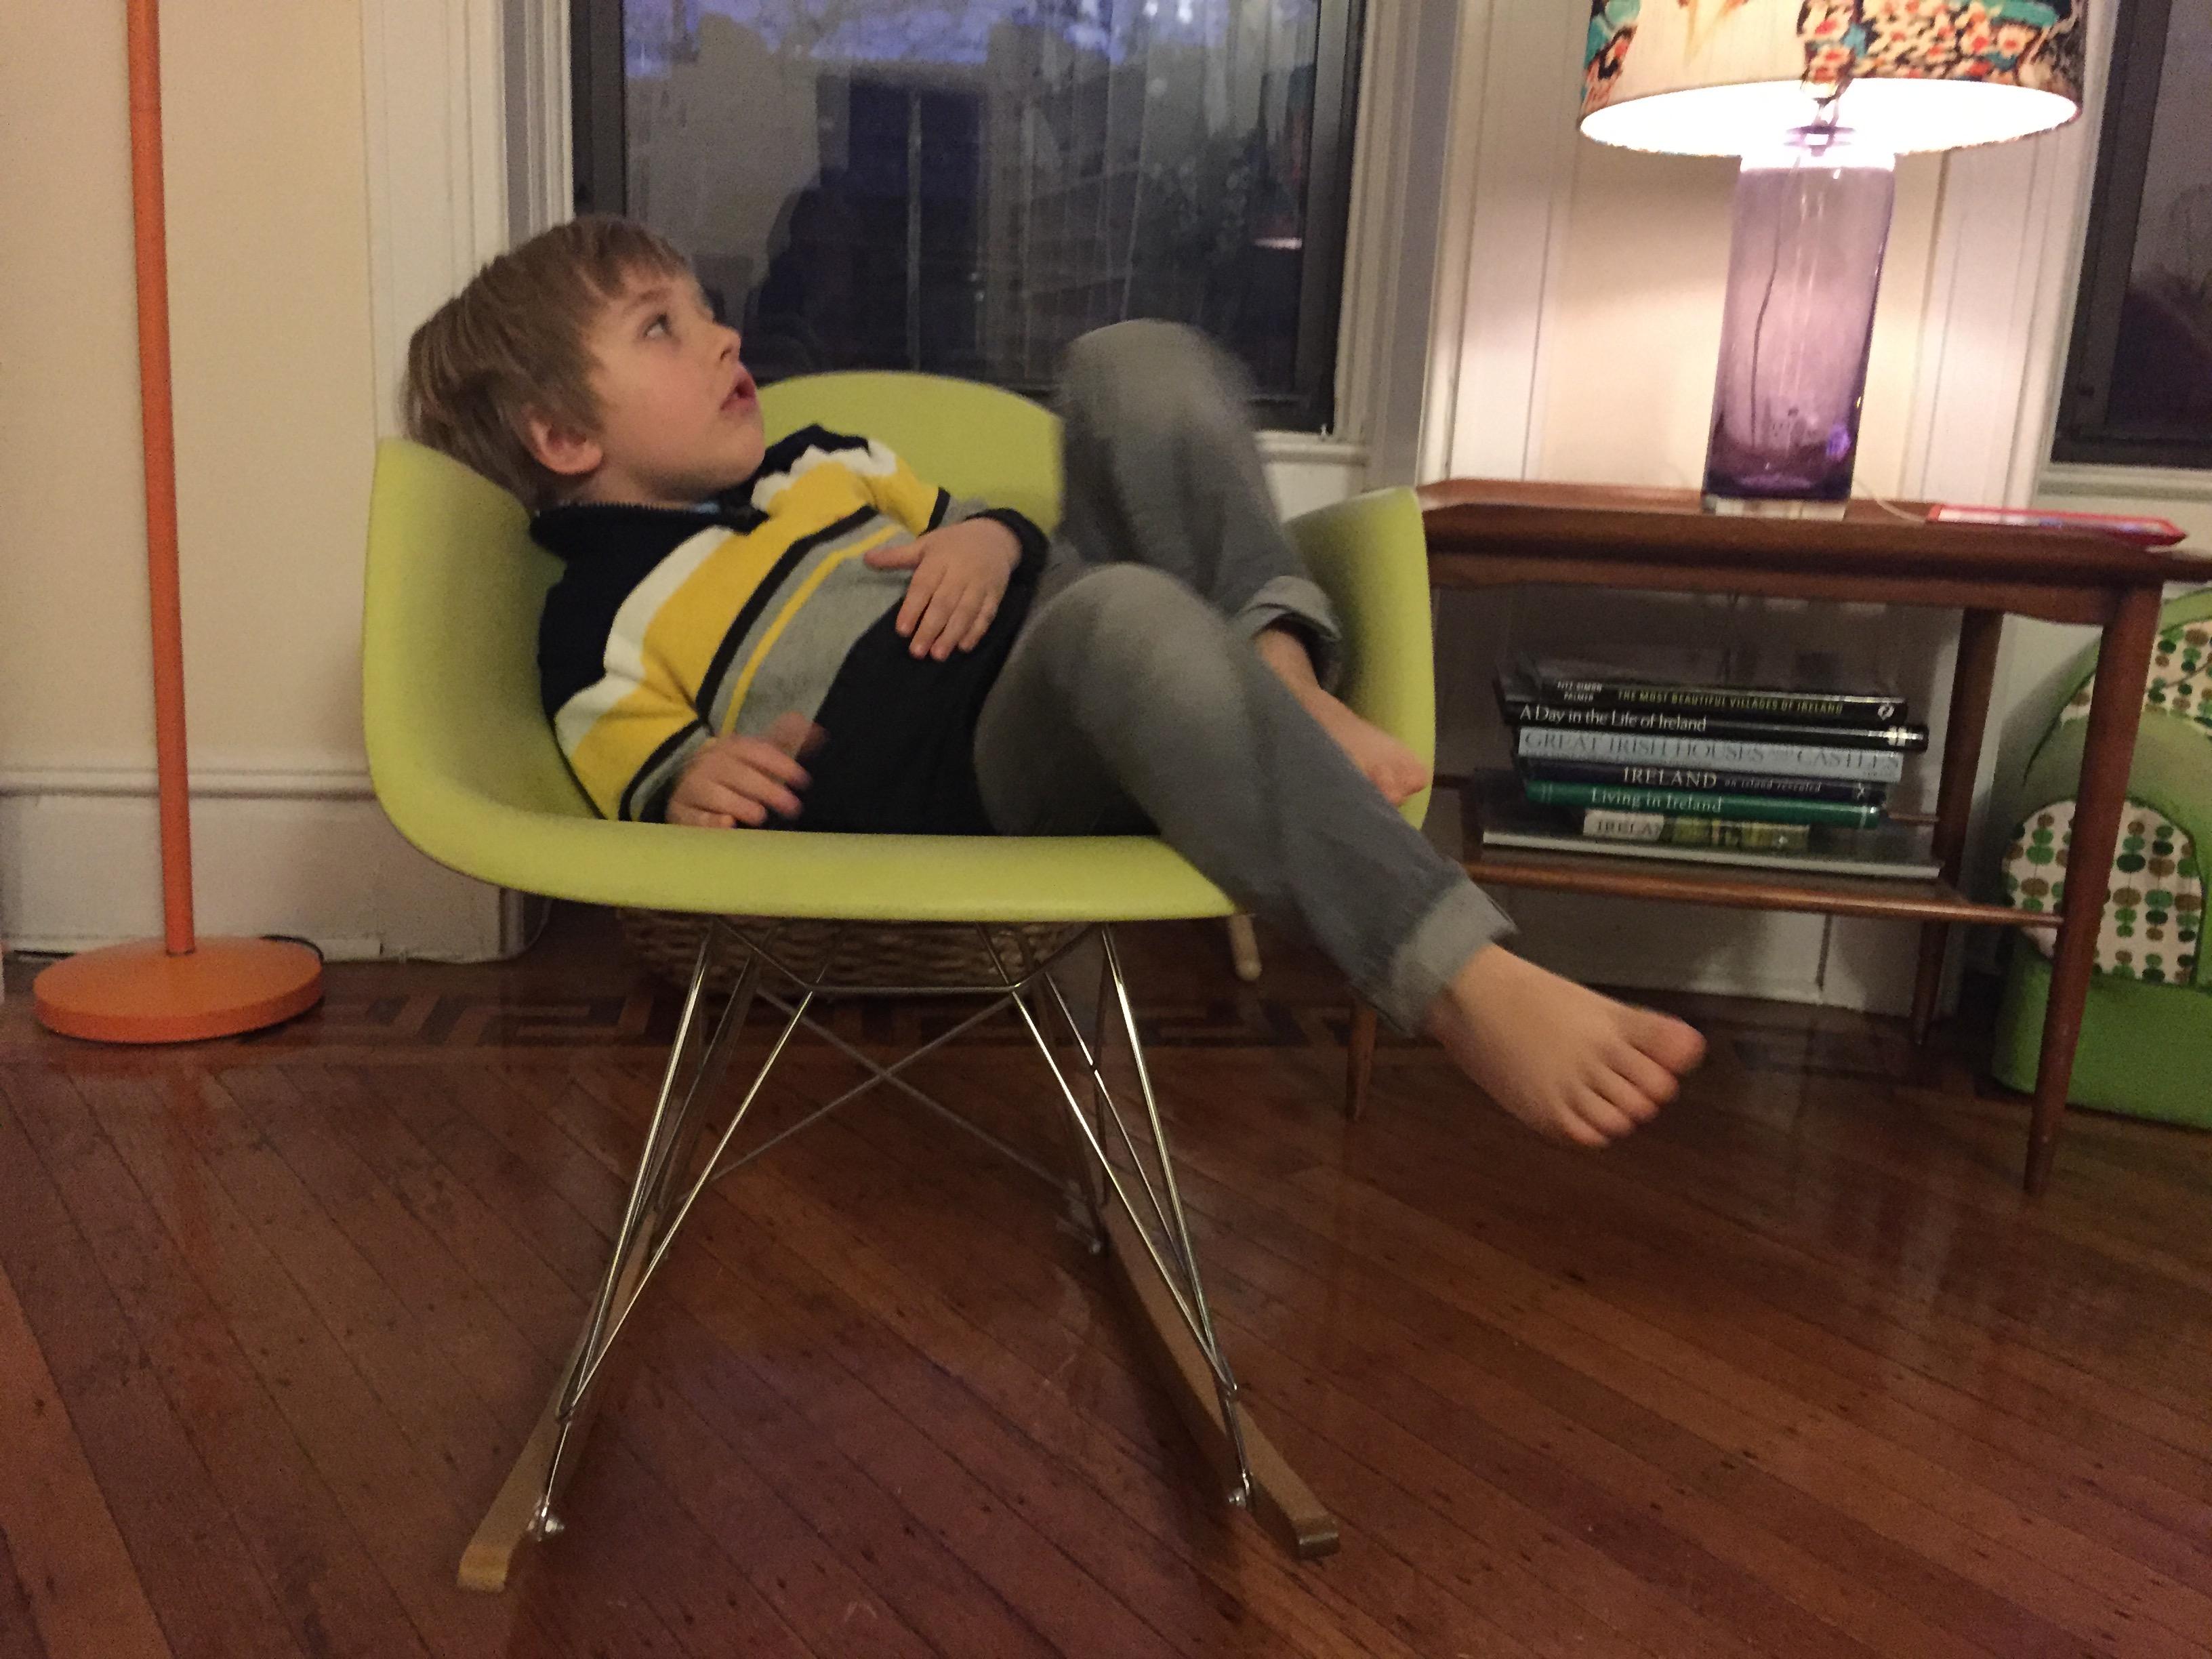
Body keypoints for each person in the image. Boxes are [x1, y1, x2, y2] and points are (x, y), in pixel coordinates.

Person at [403, 217, 1704, 1148]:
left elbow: (985, 523)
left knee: (1132, 360)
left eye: (703, 306)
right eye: (662, 327)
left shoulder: (824, 461)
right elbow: (633, 776)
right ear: (563, 436)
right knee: (1120, 618)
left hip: (1070, 614)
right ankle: (1459, 976)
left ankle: (1282, 678)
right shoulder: (595, 619)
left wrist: (986, 535)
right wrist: (695, 777)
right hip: (991, 749)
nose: (723, 332)